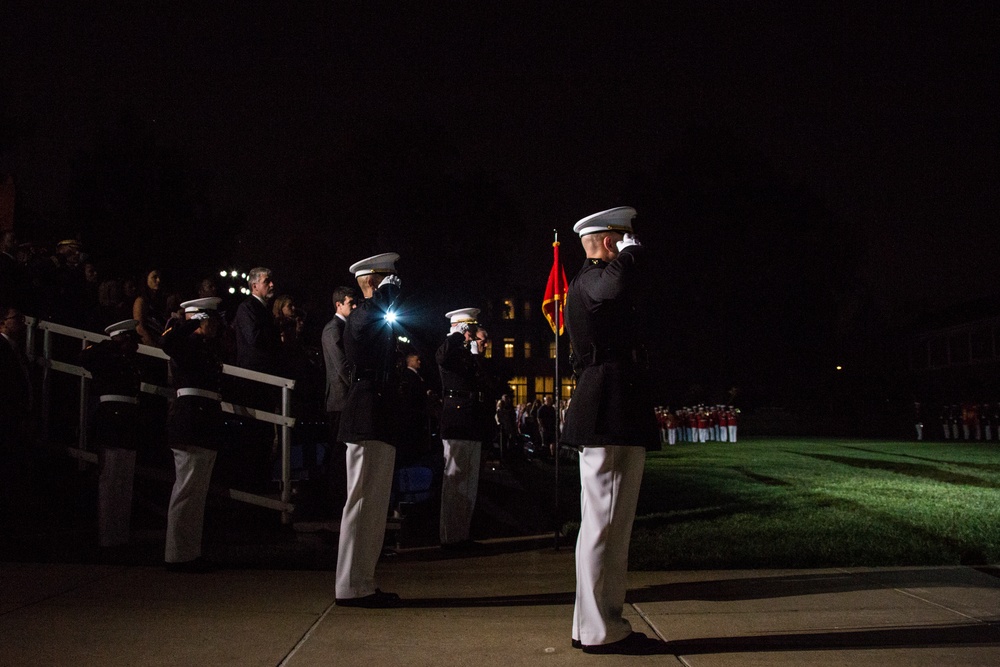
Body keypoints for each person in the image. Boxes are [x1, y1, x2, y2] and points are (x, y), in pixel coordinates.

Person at [561, 206, 662, 655]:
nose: (631, 243)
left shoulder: (590, 281)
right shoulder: (593, 280)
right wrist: (632, 255)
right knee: (608, 524)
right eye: (624, 238)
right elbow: (612, 288)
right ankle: (604, 628)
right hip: (611, 408)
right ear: (609, 242)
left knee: (600, 524)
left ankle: (589, 623)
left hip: (608, 406)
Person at [335, 253, 403, 608]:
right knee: (360, 500)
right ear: (374, 282)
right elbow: (361, 329)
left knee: (375, 505)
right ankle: (349, 584)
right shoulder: (362, 314)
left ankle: (364, 580)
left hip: (381, 413)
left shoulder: (377, 315)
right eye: (390, 279)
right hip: (365, 412)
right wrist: (378, 297)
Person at [161, 297, 225, 573]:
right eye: (209, 319)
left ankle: (190, 551)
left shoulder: (207, 347)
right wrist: (191, 322)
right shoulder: (185, 343)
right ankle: (176, 554)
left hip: (205, 420)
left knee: (197, 493)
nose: (214, 325)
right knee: (186, 490)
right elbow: (168, 342)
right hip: (190, 419)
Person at [80, 319, 142, 548]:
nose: (136, 345)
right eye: (130, 340)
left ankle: (120, 536)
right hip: (111, 419)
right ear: (122, 339)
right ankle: (108, 537)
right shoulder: (105, 356)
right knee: (110, 480)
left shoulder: (129, 360)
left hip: (127, 419)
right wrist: (112, 345)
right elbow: (84, 358)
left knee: (124, 481)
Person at [436, 307, 491, 549]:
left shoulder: (467, 354)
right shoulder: (450, 350)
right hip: (456, 418)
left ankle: (462, 534)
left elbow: (483, 380)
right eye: (468, 330)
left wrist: (476, 353)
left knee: (469, 481)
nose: (470, 335)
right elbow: (441, 357)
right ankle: (450, 538)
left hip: (470, 418)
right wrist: (457, 335)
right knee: (455, 479)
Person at [232, 267, 282, 491]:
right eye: (267, 281)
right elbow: (255, 339)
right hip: (254, 383)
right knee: (254, 438)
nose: (272, 285)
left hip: (264, 382)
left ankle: (259, 485)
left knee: (263, 438)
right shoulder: (247, 308)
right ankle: (250, 487)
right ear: (254, 286)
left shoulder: (262, 310)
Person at [321, 286, 357, 516]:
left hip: (345, 399)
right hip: (340, 400)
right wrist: (360, 383)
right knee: (339, 453)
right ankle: (334, 502)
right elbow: (341, 366)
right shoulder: (333, 329)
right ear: (338, 305)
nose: (354, 306)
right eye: (350, 302)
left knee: (344, 453)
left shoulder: (343, 328)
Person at [133, 269, 167, 346]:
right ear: (146, 279)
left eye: (159, 277)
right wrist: (153, 347)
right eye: (154, 277)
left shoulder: (158, 301)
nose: (158, 280)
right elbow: (139, 328)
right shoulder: (140, 301)